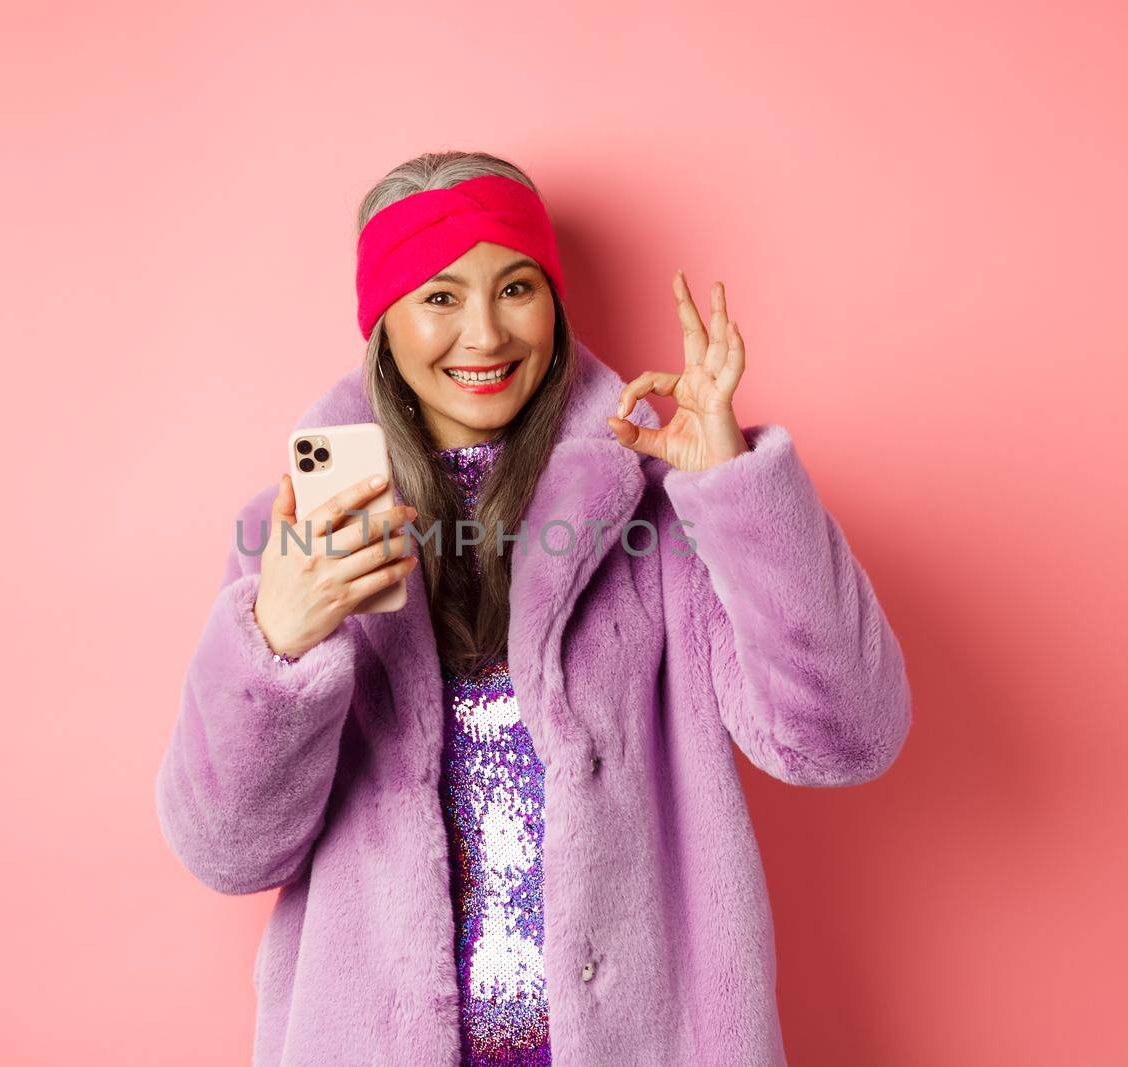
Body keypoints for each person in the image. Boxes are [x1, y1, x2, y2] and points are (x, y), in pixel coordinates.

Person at [155, 150, 912, 1067]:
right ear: (382, 323)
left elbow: (844, 737)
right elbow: (228, 853)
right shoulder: (296, 539)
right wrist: (278, 643)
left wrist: (733, 488)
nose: (485, 333)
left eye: (516, 287)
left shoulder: (659, 509)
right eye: (438, 296)